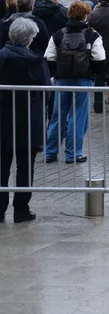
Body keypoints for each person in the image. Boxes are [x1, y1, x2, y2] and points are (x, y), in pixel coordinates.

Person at [43, 1, 105, 164]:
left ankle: (50, 152)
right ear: (86, 15)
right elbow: (99, 57)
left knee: (57, 116)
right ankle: (73, 154)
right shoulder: (92, 35)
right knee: (78, 117)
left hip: (62, 79)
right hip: (83, 79)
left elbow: (49, 56)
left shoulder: (58, 34)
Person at [0, 18, 49, 223]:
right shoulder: (36, 61)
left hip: (3, 118)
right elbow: (46, 90)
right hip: (29, 119)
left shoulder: (2, 57)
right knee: (25, 166)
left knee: (2, 165)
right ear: (29, 38)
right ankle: (21, 208)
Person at [88, 0, 109, 114]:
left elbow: (89, 30)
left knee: (99, 79)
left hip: (98, 48)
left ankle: (98, 105)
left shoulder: (93, 14)